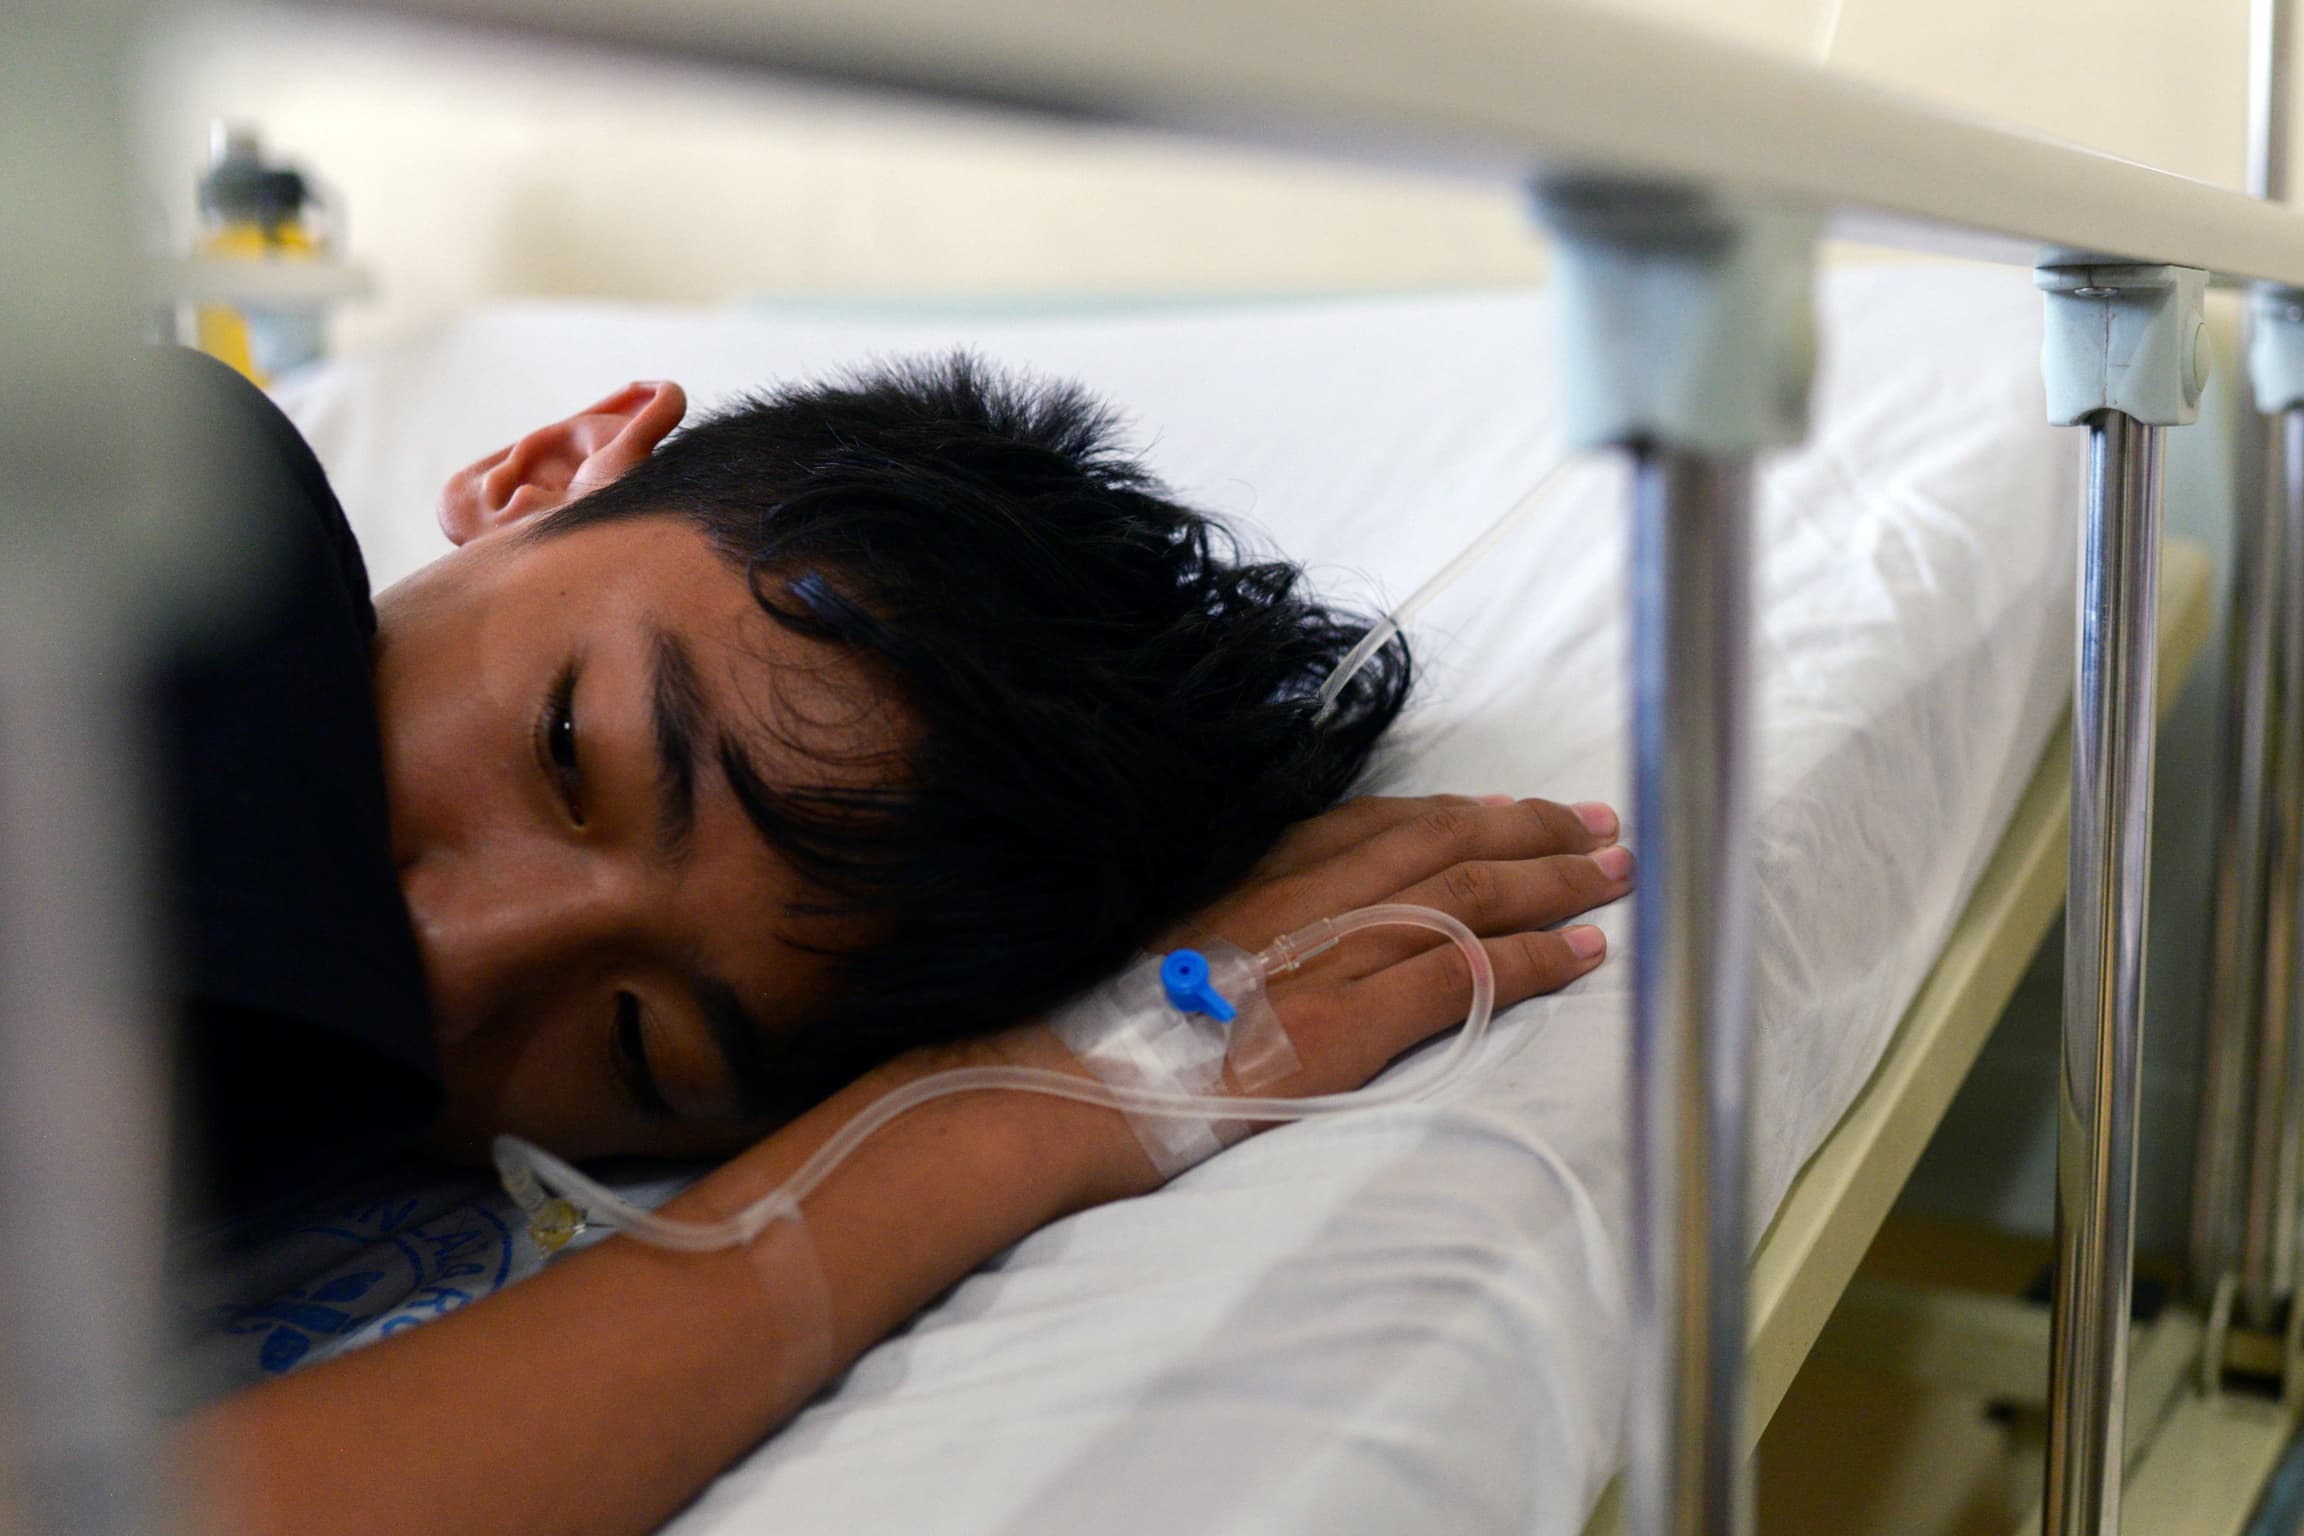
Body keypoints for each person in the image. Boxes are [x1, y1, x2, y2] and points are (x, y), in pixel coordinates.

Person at [151, 346, 1633, 1535]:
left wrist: (1039, 1095)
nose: (449, 955)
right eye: (568, 749)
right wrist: (1022, 1114)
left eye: (638, 1051)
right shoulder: (187, 534)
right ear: (545, 471)